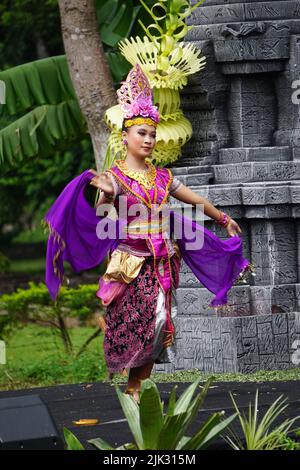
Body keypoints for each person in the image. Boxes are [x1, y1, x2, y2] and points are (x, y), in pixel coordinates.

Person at [43, 64, 254, 406]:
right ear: (125, 136)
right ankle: (132, 385)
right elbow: (102, 217)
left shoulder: (163, 178)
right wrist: (108, 196)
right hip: (131, 262)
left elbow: (196, 201)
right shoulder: (114, 176)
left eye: (152, 134)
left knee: (159, 323)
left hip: (164, 262)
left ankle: (136, 388)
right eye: (141, 133)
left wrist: (223, 218)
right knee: (133, 323)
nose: (148, 140)